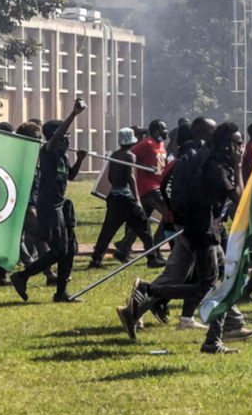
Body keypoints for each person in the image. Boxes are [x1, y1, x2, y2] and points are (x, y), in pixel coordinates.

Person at [123, 123, 252, 352]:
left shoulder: (212, 162)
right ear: (226, 145)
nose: (240, 147)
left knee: (220, 284)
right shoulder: (215, 168)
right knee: (208, 287)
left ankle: (215, 339)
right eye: (237, 143)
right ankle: (150, 290)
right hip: (203, 232)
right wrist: (238, 165)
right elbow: (239, 199)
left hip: (206, 229)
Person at [13, 101, 89, 302]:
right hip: (48, 207)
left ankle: (61, 292)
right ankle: (22, 276)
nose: (69, 139)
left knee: (69, 249)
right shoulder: (48, 152)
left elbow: (70, 176)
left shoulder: (63, 157)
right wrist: (73, 114)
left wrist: (80, 160)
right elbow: (55, 138)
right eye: (67, 135)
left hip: (62, 205)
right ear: (58, 135)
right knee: (59, 250)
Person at [91, 127, 154, 267]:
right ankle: (152, 257)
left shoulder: (114, 155)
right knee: (144, 228)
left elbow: (110, 178)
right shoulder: (130, 156)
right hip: (127, 198)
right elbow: (131, 178)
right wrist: (137, 200)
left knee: (107, 230)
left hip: (114, 196)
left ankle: (96, 259)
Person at [131, 120, 171, 266]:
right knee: (168, 213)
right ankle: (156, 247)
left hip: (158, 186)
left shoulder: (160, 144)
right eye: (164, 129)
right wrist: (144, 166)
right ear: (155, 131)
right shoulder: (146, 143)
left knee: (141, 220)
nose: (166, 131)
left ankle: (123, 247)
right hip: (149, 187)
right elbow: (129, 155)